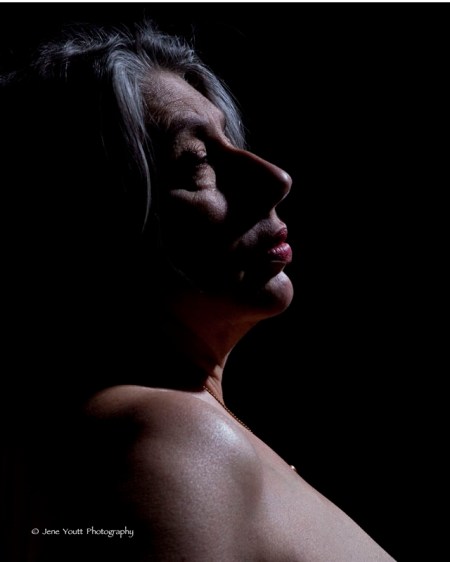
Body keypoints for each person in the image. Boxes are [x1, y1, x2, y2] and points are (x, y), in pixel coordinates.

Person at [1, 20, 396, 561]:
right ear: (90, 221)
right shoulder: (164, 435)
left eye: (229, 142)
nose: (276, 178)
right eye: (196, 161)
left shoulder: (159, 431)